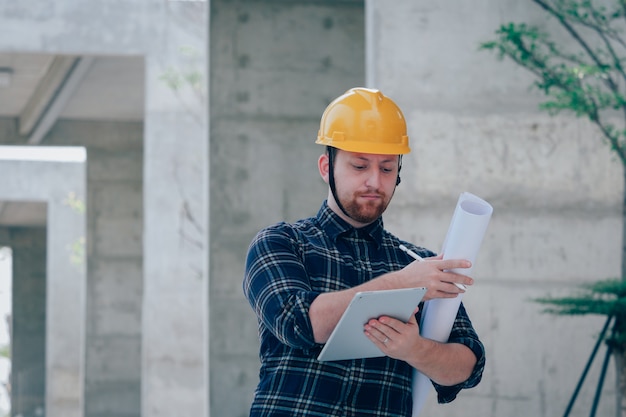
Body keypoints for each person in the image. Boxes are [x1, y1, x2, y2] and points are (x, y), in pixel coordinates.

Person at [243, 87, 485, 417]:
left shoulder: (417, 263)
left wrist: (415, 349)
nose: (374, 181)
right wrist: (404, 285)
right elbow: (297, 323)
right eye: (359, 166)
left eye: (387, 169)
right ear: (326, 167)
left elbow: (469, 367)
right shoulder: (281, 243)